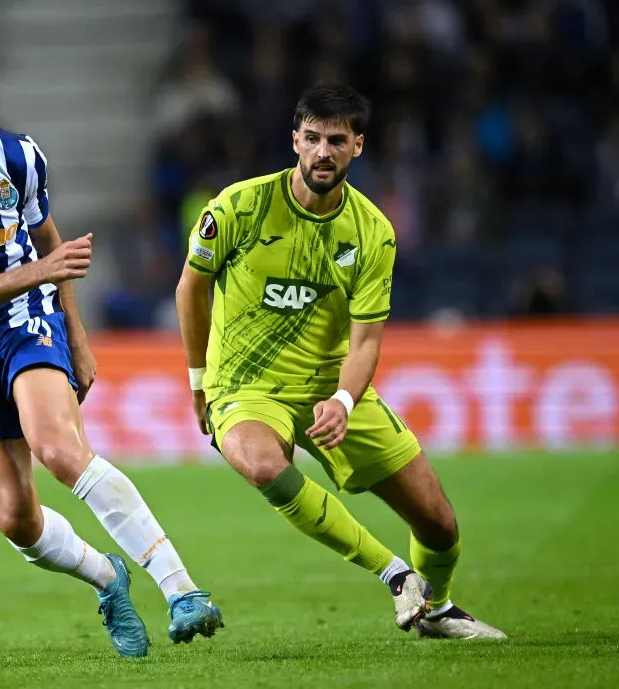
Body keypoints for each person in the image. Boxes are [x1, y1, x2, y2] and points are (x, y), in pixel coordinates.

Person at [0, 44, 222, 657]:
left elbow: (45, 237)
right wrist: (44, 269)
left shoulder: (17, 158)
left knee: (59, 449)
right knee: (16, 520)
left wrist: (75, 335)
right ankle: (109, 579)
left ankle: (181, 588)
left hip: (24, 324)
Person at [174, 84, 505, 640]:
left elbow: (367, 342)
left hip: (331, 385)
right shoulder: (238, 207)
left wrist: (345, 401)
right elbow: (191, 289)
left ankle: (437, 609)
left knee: (439, 523)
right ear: (295, 142)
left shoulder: (373, 232)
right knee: (262, 466)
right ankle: (397, 576)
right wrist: (200, 382)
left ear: (358, 146)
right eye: (312, 139)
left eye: (336, 140)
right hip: (247, 384)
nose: (323, 151)